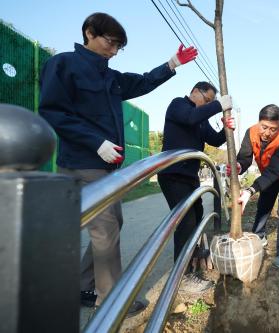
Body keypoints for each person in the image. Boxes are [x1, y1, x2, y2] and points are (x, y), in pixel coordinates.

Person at [38, 12, 197, 315]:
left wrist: (172, 64)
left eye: (118, 47)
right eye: (111, 43)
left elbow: (142, 82)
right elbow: (52, 112)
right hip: (82, 160)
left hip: (106, 165)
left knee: (110, 225)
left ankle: (84, 285)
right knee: (106, 226)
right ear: (89, 33)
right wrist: (94, 142)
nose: (113, 51)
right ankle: (112, 300)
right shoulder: (63, 65)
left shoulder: (109, 75)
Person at [158, 81, 233, 292]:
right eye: (207, 100)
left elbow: (215, 140)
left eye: (211, 101)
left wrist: (226, 129)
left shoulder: (201, 118)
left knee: (197, 215)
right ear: (194, 92)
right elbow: (190, 118)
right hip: (173, 175)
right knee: (186, 222)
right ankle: (182, 278)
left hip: (190, 177)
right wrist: (218, 105)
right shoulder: (178, 105)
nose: (207, 104)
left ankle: (191, 258)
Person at [227, 104, 279, 269]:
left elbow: (274, 172)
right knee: (264, 204)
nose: (267, 133)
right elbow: (245, 157)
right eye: (264, 127)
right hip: (269, 176)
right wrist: (239, 165)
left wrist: (249, 190)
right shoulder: (251, 132)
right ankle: (259, 235)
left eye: (273, 129)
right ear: (258, 121)